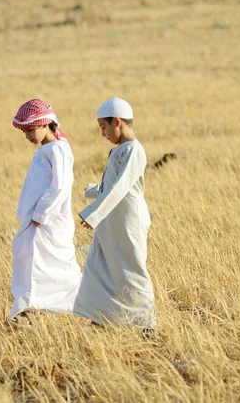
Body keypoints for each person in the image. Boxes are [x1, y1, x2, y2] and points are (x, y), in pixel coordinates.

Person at [73, 97, 156, 329]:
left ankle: (146, 323)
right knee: (97, 266)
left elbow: (121, 187)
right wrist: (93, 192)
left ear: (117, 121)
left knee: (131, 269)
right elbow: (113, 186)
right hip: (111, 220)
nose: (102, 133)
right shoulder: (122, 150)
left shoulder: (134, 150)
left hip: (127, 220)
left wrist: (94, 213)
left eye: (103, 127)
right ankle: (100, 318)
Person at [9, 99, 82, 324]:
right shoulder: (50, 149)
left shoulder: (58, 149)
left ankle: (33, 311)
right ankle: (30, 311)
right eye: (26, 131)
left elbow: (60, 185)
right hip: (38, 221)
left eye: (31, 129)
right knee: (32, 265)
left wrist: (40, 215)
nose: (28, 136)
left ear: (45, 124)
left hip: (48, 222)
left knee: (48, 268)